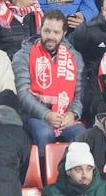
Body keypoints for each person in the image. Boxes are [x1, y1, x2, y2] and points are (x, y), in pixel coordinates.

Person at [12, 9, 86, 150]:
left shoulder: (75, 56)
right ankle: (43, 172)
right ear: (40, 29)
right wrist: (46, 114)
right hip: (34, 115)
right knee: (44, 133)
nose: (50, 36)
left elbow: (80, 92)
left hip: (65, 114)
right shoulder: (23, 55)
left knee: (81, 135)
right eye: (47, 31)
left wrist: (73, 113)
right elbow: (23, 93)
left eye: (56, 32)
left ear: (64, 34)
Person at [42, 139, 106, 196]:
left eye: (89, 169)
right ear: (68, 171)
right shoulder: (51, 194)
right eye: (78, 170)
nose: (84, 174)